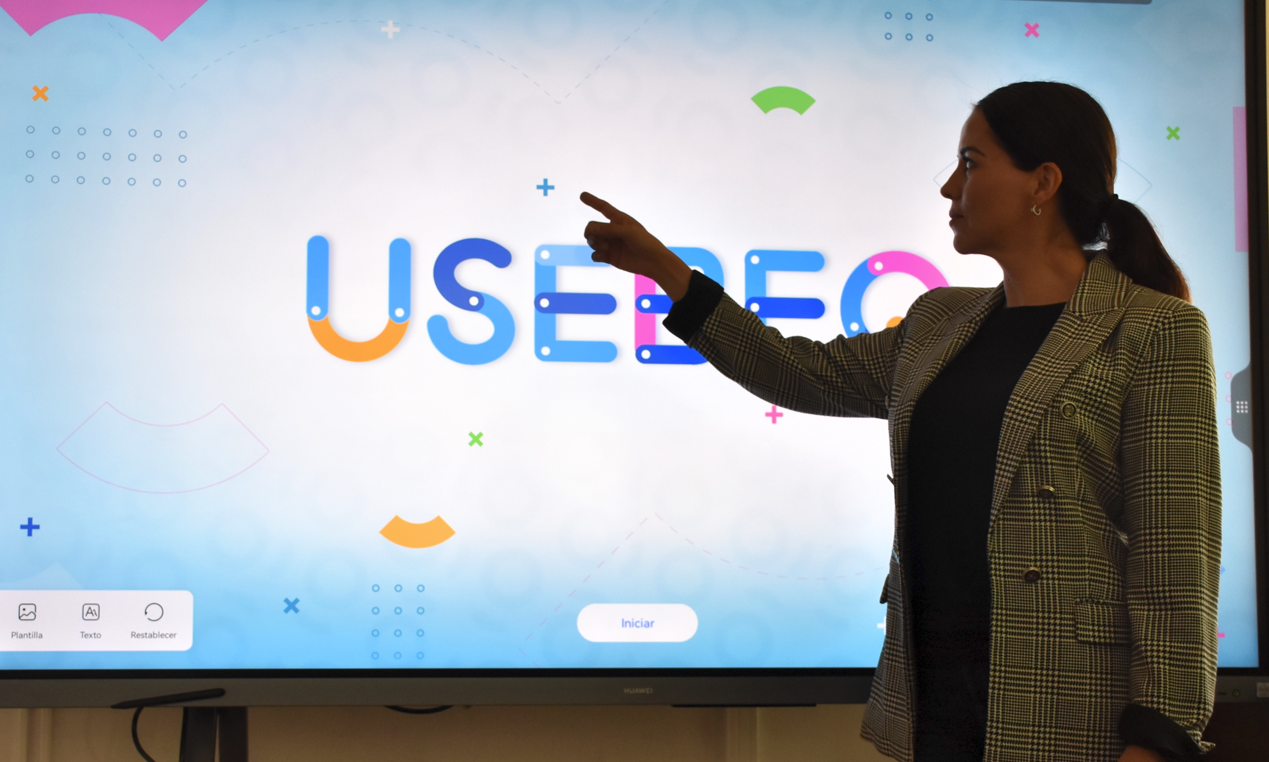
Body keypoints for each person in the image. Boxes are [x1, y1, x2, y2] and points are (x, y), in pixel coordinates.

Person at [579, 81, 1220, 762]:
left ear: (1042, 182)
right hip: (934, 698)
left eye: (970, 163)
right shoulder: (937, 320)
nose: (948, 187)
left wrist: (1160, 739)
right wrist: (667, 272)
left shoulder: (1156, 330)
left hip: (1071, 711)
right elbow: (797, 372)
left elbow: (1176, 554)